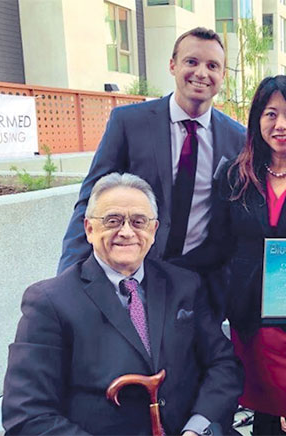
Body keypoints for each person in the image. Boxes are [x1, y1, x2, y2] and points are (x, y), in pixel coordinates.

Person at [3, 173, 243, 435]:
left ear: (153, 230)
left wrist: (196, 429)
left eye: (139, 221)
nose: (127, 232)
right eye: (113, 220)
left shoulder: (185, 285)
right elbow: (28, 413)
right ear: (89, 229)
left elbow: (223, 365)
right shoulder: (49, 302)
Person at [58, 27, 246, 317]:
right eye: (191, 62)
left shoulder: (237, 139)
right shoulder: (129, 123)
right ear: (173, 65)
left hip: (200, 284)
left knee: (196, 361)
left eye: (213, 66)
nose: (201, 73)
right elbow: (90, 200)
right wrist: (68, 276)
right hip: (132, 272)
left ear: (223, 76)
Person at [206, 75, 286, 435]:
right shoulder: (234, 175)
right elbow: (219, 244)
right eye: (271, 114)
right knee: (262, 419)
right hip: (251, 318)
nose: (281, 125)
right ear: (256, 120)